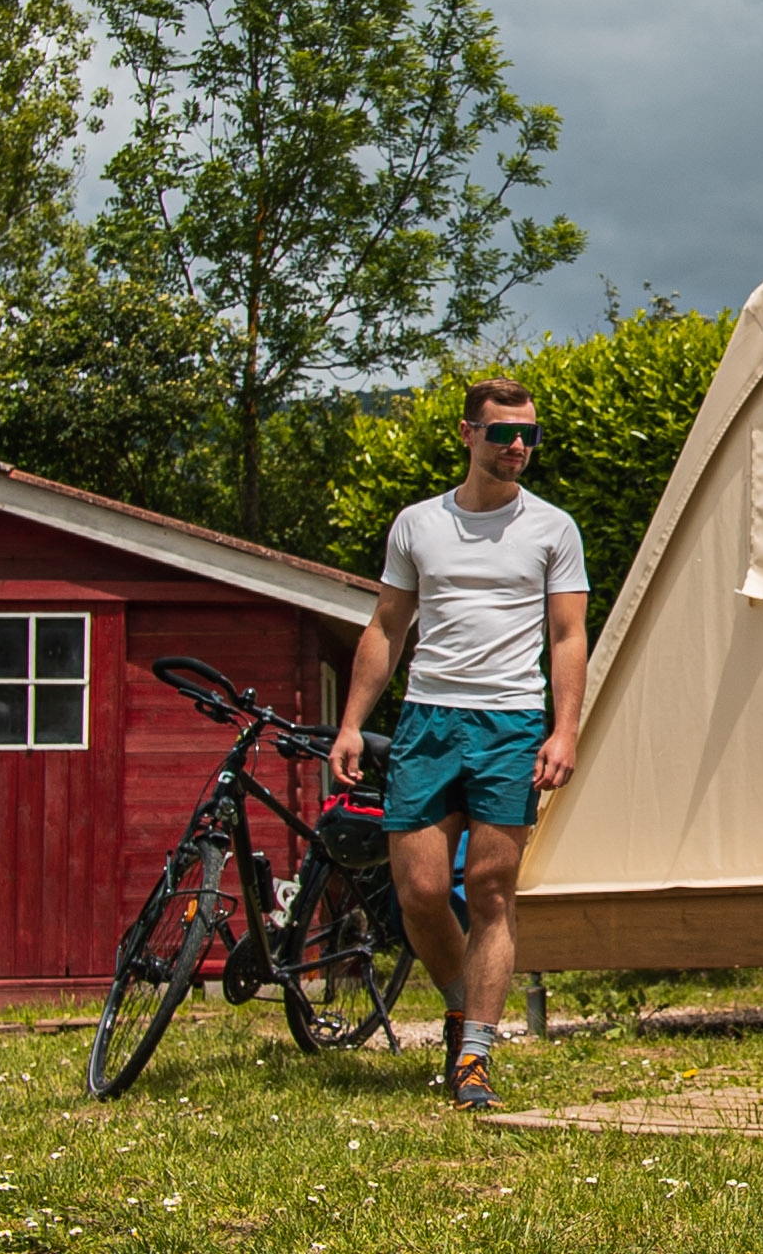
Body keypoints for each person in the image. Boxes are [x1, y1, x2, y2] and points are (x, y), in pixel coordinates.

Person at [330, 378, 586, 1111]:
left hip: (509, 723)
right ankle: (458, 999)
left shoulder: (553, 530)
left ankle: (474, 1055)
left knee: (492, 893)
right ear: (469, 433)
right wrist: (352, 722)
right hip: (428, 719)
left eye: (530, 436)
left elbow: (568, 637)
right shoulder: (417, 525)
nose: (518, 448)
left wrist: (563, 730)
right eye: (505, 433)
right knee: (418, 894)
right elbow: (386, 628)